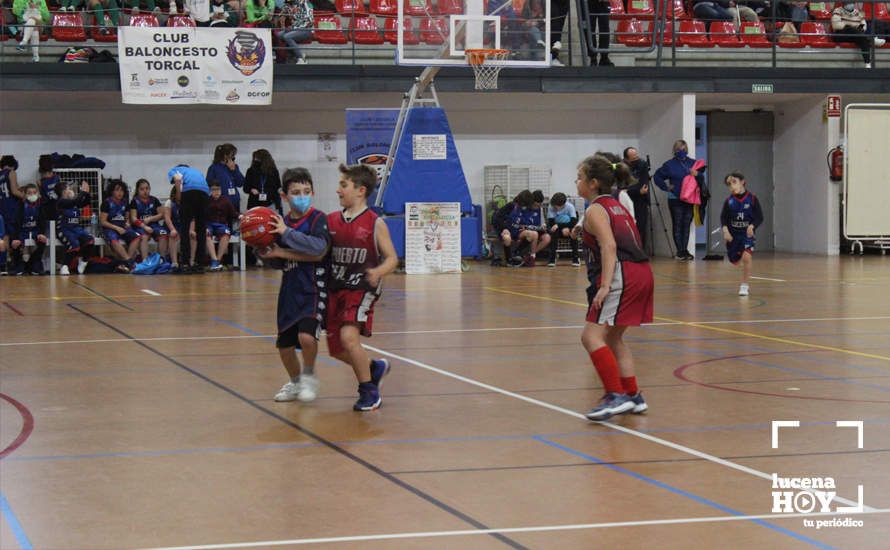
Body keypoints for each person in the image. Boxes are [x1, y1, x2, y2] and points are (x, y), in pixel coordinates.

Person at [572, 154, 652, 421]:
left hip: (622, 274)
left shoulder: (595, 209)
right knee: (614, 338)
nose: (576, 182)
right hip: (642, 272)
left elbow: (609, 245)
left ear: (593, 183)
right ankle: (633, 395)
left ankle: (614, 394)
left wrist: (605, 285)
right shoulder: (616, 205)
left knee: (590, 337)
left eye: (580, 178)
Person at [326, 164, 399, 411]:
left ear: (360, 190)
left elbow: (392, 259)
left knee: (349, 337)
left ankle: (368, 391)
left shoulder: (375, 223)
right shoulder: (331, 221)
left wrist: (378, 271)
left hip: (362, 288)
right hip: (336, 287)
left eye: (343, 185)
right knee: (336, 350)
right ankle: (373, 367)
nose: (338, 190)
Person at [257, 168, 330, 403]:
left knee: (307, 337)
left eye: (306, 191)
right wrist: (265, 250)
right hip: (289, 289)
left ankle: (309, 376)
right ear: (284, 196)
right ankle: (296, 382)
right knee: (285, 347)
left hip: (313, 287)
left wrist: (285, 238)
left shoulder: (319, 219)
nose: (302, 196)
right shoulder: (280, 223)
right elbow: (279, 262)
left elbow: (318, 250)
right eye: (296, 192)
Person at [653, 139, 704, 260]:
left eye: (684, 149)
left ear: (686, 150)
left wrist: (697, 174)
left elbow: (701, 177)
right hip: (675, 198)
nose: (682, 151)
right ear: (674, 150)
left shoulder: (694, 163)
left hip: (690, 198)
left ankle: (685, 250)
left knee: (686, 224)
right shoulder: (669, 164)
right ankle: (679, 251)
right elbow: (657, 176)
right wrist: (666, 187)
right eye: (679, 149)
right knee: (677, 223)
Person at [721, 172, 763, 297]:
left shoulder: (753, 199)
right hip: (733, 236)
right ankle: (735, 254)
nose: (732, 186)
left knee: (747, 257)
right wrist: (726, 231)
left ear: (742, 182)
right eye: (729, 184)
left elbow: (759, 217)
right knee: (734, 260)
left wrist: (752, 225)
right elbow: (724, 218)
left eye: (734, 182)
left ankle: (744, 285)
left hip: (747, 235)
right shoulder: (729, 201)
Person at [169, 164, 210, 273]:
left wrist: (179, 197)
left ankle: (185, 264)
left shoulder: (175, 170)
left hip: (190, 193)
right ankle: (199, 263)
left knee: (185, 228)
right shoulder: (196, 171)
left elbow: (177, 180)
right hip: (205, 193)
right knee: (201, 229)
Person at [55, 180, 96, 275]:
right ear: (64, 191)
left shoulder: (73, 203)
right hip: (64, 229)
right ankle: (65, 266)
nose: (72, 190)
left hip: (76, 229)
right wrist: (83, 192)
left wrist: (87, 193)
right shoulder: (61, 202)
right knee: (74, 244)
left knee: (90, 240)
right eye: (69, 188)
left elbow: (86, 202)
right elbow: (76, 201)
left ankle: (83, 261)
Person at [831, 3, 887, 68]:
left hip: (855, 34)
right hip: (841, 34)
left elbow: (863, 25)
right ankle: (871, 39)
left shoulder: (858, 13)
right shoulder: (838, 12)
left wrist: (853, 27)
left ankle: (867, 64)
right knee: (850, 29)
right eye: (848, 3)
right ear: (844, 4)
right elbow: (836, 26)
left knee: (862, 39)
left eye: (852, 3)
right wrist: (853, 26)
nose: (850, 5)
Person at [9, 183, 48, 275]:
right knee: (15, 243)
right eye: (29, 193)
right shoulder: (20, 206)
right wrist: (15, 238)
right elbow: (15, 224)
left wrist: (42, 233)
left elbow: (43, 222)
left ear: (38, 194)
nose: (32, 195)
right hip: (22, 232)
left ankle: (34, 264)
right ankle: (18, 265)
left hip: (35, 231)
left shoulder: (40, 206)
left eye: (34, 193)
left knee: (42, 241)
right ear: (25, 195)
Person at [100, 180, 140, 263]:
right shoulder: (107, 203)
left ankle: (127, 261)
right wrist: (117, 228)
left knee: (136, 237)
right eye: (117, 190)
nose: (120, 192)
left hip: (122, 227)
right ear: (112, 191)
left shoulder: (125, 203)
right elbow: (103, 222)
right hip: (110, 228)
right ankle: (128, 261)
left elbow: (126, 218)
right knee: (114, 239)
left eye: (122, 190)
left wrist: (127, 223)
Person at [130, 179, 168, 262]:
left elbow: (162, 214)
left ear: (150, 189)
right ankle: (145, 261)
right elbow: (133, 218)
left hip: (154, 225)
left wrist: (151, 218)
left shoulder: (154, 200)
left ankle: (161, 260)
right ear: (138, 190)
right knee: (143, 237)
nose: (145, 191)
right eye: (142, 189)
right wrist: (144, 226)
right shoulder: (134, 201)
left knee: (163, 233)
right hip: (140, 226)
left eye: (147, 188)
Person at [623, 147, 651, 254]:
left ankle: (640, 252)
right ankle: (629, 252)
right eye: (633, 158)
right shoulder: (622, 167)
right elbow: (622, 188)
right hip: (626, 201)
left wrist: (631, 190)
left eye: (637, 156)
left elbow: (643, 187)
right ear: (627, 159)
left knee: (641, 228)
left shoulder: (643, 165)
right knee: (627, 228)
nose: (637, 159)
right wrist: (634, 191)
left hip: (641, 201)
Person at [205, 180, 237, 271]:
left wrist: (241, 215)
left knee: (226, 234)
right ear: (210, 191)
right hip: (209, 224)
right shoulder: (206, 201)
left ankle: (218, 260)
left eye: (218, 189)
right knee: (206, 233)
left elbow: (233, 213)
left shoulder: (226, 200)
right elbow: (202, 216)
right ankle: (214, 259)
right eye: (214, 190)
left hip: (221, 225)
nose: (216, 192)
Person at [206, 144, 245, 213]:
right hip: (221, 203)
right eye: (232, 155)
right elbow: (209, 183)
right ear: (225, 155)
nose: (233, 158)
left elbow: (241, 183)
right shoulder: (214, 168)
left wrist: (234, 170)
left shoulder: (234, 167)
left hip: (234, 202)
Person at [0, 155, 23, 272]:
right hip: (12, 207)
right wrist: (26, 197)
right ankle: (15, 263)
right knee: (15, 235)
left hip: (2, 207)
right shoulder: (11, 172)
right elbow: (14, 191)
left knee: (5, 236)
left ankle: (5, 261)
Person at [546, 192, 580, 267]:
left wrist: (562, 226)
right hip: (556, 228)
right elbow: (551, 223)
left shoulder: (570, 206)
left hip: (568, 227)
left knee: (573, 233)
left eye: (557, 206)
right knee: (553, 233)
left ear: (563, 204)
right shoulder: (551, 207)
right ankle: (552, 258)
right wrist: (560, 227)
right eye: (554, 205)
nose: (555, 207)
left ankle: (575, 257)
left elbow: (573, 222)